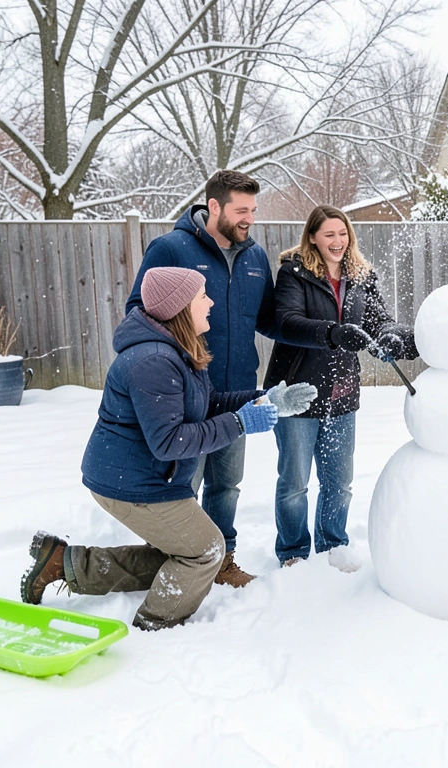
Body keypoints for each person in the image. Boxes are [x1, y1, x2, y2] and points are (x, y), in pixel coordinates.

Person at [20, 268, 316, 630]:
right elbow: (169, 442)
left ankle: (64, 563)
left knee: (182, 551)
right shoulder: (153, 361)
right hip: (130, 482)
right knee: (206, 550)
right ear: (179, 307)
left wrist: (264, 399)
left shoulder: (179, 350)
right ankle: (154, 625)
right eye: (202, 297)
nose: (209, 303)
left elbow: (206, 404)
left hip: (148, 477)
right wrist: (240, 423)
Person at [125, 170, 276, 587]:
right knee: (180, 487)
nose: (249, 219)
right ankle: (172, 562)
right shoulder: (171, 248)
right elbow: (139, 311)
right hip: (186, 394)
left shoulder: (256, 258)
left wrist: (325, 332)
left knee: (227, 485)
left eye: (253, 210)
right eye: (241, 210)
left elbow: (269, 320)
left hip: (237, 394)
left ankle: (222, 560)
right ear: (214, 206)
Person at [263, 205, 418, 569]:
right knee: (294, 482)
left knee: (339, 482)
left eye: (343, 233)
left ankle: (334, 545)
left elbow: (381, 320)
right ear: (313, 237)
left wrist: (393, 338)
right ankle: (293, 552)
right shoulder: (294, 274)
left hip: (341, 394)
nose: (337, 241)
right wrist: (332, 333)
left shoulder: (361, 275)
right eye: (329, 234)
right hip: (298, 391)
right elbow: (286, 322)